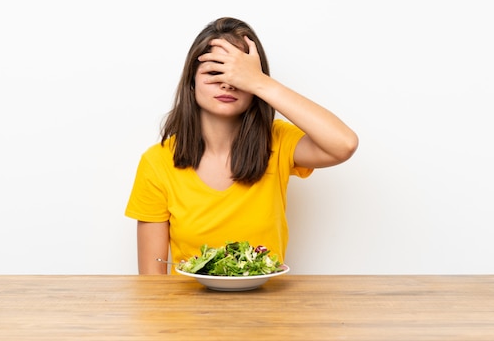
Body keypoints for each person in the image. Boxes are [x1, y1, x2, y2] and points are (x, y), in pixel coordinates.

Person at [125, 17, 358, 274]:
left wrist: (258, 82)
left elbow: (344, 144)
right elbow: (151, 280)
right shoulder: (157, 162)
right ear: (191, 82)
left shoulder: (278, 142)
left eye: (239, 75)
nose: (227, 83)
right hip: (189, 312)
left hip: (269, 310)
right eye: (214, 72)